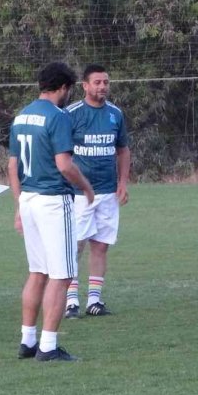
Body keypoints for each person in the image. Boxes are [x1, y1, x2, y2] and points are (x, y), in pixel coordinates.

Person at [10, 62, 95, 362]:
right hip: (53, 200)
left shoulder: (22, 115)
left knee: (38, 272)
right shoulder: (58, 116)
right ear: (64, 87)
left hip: (29, 198)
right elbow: (64, 165)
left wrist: (19, 204)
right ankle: (48, 346)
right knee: (62, 275)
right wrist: (86, 187)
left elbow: (12, 166)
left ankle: (27, 340)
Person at [64, 64, 130, 318]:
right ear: (85, 85)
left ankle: (94, 301)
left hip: (107, 191)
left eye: (106, 82)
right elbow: (61, 153)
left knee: (101, 246)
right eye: (97, 82)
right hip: (78, 193)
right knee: (75, 246)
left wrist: (122, 182)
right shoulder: (71, 114)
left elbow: (123, 150)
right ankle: (71, 301)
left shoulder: (115, 114)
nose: (102, 86)